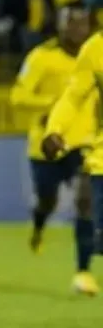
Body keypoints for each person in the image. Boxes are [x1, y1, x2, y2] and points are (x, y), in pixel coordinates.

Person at [9, 3, 97, 295]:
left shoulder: (94, 54)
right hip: (46, 143)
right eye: (71, 22)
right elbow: (18, 95)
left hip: (85, 141)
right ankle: (38, 225)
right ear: (59, 24)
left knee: (85, 200)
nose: (77, 29)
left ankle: (83, 272)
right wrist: (49, 105)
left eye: (82, 23)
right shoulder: (41, 57)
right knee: (47, 200)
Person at [42, 23, 103, 298]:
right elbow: (74, 96)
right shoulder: (95, 48)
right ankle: (83, 270)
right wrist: (54, 129)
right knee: (88, 212)